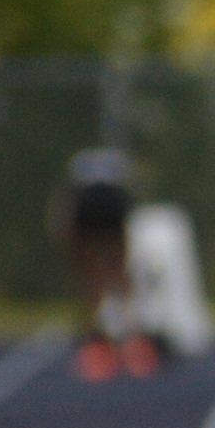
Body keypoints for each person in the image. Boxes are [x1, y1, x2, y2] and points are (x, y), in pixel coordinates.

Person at [58, 148, 161, 381]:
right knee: (118, 271)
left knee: (90, 275)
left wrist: (68, 235)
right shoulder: (117, 163)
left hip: (87, 207)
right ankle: (128, 330)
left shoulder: (80, 163)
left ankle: (95, 335)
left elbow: (67, 205)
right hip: (113, 206)